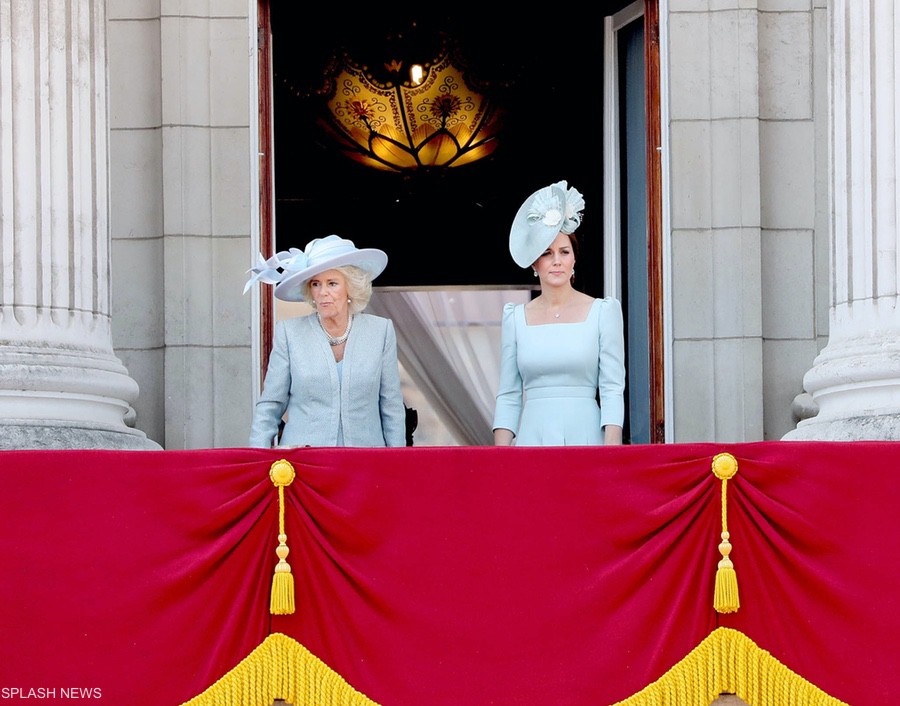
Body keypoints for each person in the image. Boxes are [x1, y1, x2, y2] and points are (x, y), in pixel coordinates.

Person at [492, 180, 626, 446]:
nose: (556, 260)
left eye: (564, 252)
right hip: (532, 441)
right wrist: (501, 460)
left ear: (574, 259)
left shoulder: (603, 312)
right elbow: (508, 394)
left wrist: (612, 454)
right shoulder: (515, 318)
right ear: (534, 262)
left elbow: (612, 388)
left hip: (588, 440)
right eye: (547, 253)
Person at [245, 234, 406, 448]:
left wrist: (396, 464)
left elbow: (391, 406)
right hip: (304, 464)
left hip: (366, 462)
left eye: (332, 283)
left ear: (350, 287)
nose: (323, 293)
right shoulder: (289, 333)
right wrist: (258, 460)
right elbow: (271, 405)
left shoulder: (380, 331)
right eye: (316, 284)